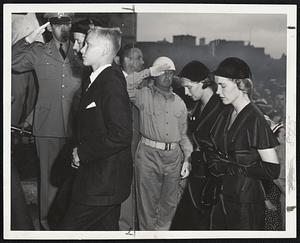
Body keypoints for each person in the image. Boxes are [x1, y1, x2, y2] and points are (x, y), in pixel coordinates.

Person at [12, 12, 85, 230]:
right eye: (57, 23)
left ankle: (68, 226)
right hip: (47, 126)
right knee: (48, 181)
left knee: (73, 180)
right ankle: (46, 227)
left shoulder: (82, 51)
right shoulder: (38, 51)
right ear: (49, 26)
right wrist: (27, 39)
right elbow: (11, 61)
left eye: (66, 23)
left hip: (75, 127)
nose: (63, 28)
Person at [59, 27, 133, 230]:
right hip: (100, 180)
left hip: (102, 184)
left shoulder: (111, 82)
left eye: (87, 44)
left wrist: (82, 153)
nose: (81, 49)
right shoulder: (97, 80)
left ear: (104, 50)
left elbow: (121, 134)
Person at [207, 57, 280, 230]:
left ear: (240, 85)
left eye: (222, 86)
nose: (218, 91)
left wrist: (235, 167)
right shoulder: (228, 112)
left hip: (246, 205)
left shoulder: (255, 119)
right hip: (225, 197)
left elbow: (272, 169)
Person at [128, 56, 193, 230]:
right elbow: (124, 86)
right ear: (156, 74)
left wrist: (187, 158)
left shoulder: (180, 103)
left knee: (169, 207)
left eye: (170, 73)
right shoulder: (143, 96)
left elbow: (183, 134)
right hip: (148, 156)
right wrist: (148, 71)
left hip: (173, 158)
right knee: (147, 207)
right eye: (163, 72)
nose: (167, 76)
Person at [118, 45, 171, 231]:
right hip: (122, 150)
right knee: (125, 197)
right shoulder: (117, 81)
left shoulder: (144, 84)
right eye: (138, 58)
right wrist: (149, 72)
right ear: (126, 61)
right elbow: (125, 87)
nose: (142, 62)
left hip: (142, 149)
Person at [171, 61, 224, 230]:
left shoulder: (220, 107)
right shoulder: (200, 106)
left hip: (211, 180)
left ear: (204, 83)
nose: (186, 92)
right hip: (199, 176)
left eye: (189, 87)